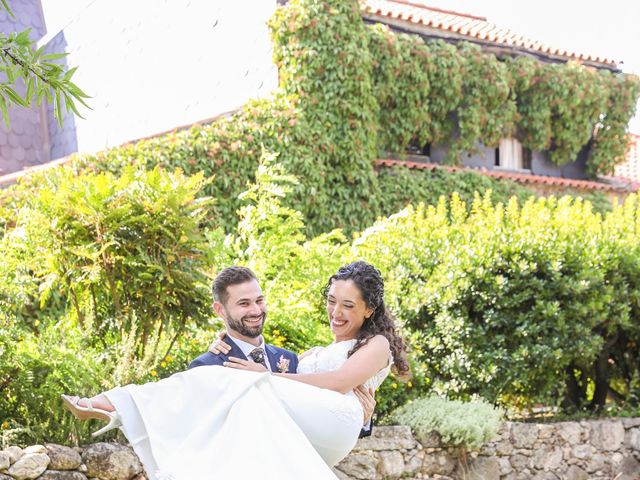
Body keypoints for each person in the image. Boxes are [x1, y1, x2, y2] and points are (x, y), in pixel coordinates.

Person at [62, 261, 409, 480]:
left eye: (347, 305)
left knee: (237, 383)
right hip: (272, 460)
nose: (335, 312)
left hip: (332, 428)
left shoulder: (363, 346)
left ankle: (117, 403)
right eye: (331, 301)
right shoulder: (211, 364)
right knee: (220, 379)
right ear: (220, 310)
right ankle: (119, 403)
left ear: (369, 308)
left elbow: (335, 384)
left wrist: (257, 375)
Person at [189, 266, 374, 437]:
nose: (255, 310)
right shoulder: (207, 366)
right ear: (220, 310)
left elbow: (314, 420)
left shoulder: (290, 360)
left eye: (259, 301)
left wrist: (360, 420)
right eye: (244, 303)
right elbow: (203, 436)